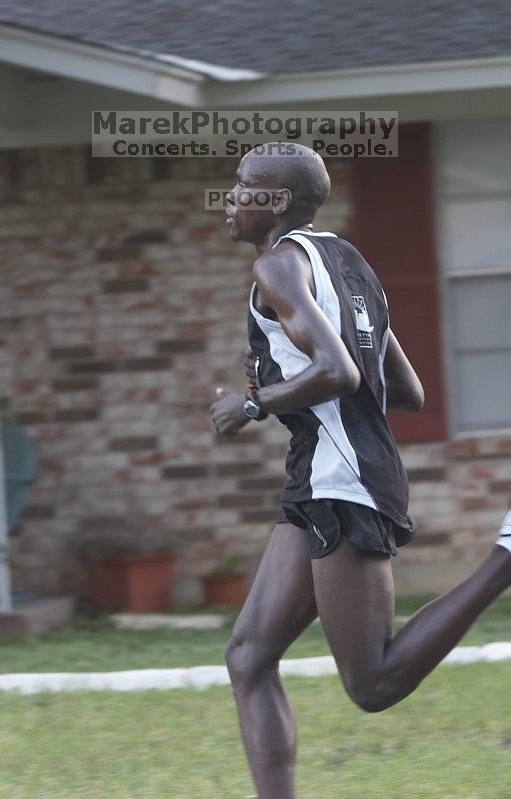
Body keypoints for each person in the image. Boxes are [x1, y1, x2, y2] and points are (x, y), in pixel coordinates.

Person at [209, 142, 511, 799]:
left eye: (242, 186)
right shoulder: (345, 261)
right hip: (325, 470)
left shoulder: (276, 266)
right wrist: (282, 373)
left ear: (277, 202)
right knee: (249, 656)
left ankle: (504, 557)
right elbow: (402, 389)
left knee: (372, 683)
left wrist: (254, 400)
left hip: (339, 476)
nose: (230, 199)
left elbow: (339, 370)